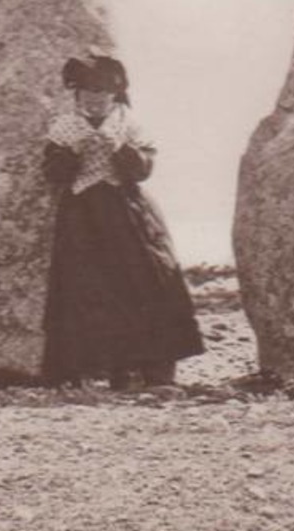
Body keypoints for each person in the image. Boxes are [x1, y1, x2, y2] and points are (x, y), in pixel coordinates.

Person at [42, 54, 204, 389]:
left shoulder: (130, 126)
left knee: (147, 279)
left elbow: (143, 170)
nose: (94, 98)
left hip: (128, 214)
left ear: (115, 94)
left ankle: (154, 368)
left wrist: (120, 149)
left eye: (101, 91)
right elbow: (52, 174)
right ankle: (99, 370)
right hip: (81, 218)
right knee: (85, 288)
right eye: (86, 91)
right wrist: (73, 152)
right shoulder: (64, 128)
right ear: (76, 94)